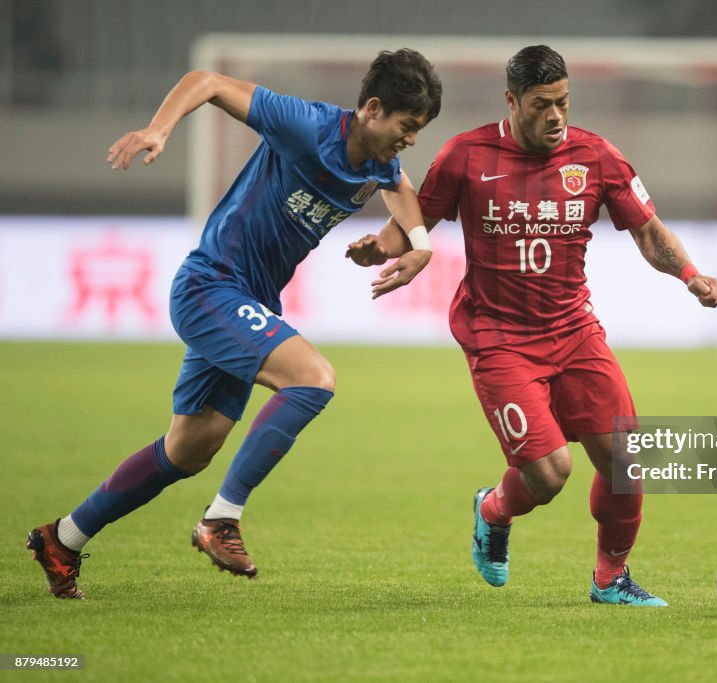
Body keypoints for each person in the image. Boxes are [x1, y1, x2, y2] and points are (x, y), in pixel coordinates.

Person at [26, 49, 443, 599]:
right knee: (312, 379)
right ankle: (221, 519)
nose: (411, 139)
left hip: (250, 303)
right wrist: (158, 129)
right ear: (371, 108)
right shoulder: (307, 124)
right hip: (211, 286)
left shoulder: (377, 160)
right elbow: (207, 81)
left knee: (189, 449)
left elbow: (401, 189)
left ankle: (63, 538)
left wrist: (417, 246)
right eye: (407, 126)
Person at [347, 45, 717, 606]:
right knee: (549, 474)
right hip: (498, 337)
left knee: (625, 459)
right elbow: (416, 217)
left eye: (564, 102)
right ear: (512, 100)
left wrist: (690, 274)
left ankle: (610, 580)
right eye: (542, 104)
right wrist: (382, 245)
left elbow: (648, 231)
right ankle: (492, 510)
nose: (556, 116)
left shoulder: (597, 157)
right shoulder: (465, 155)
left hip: (574, 331)